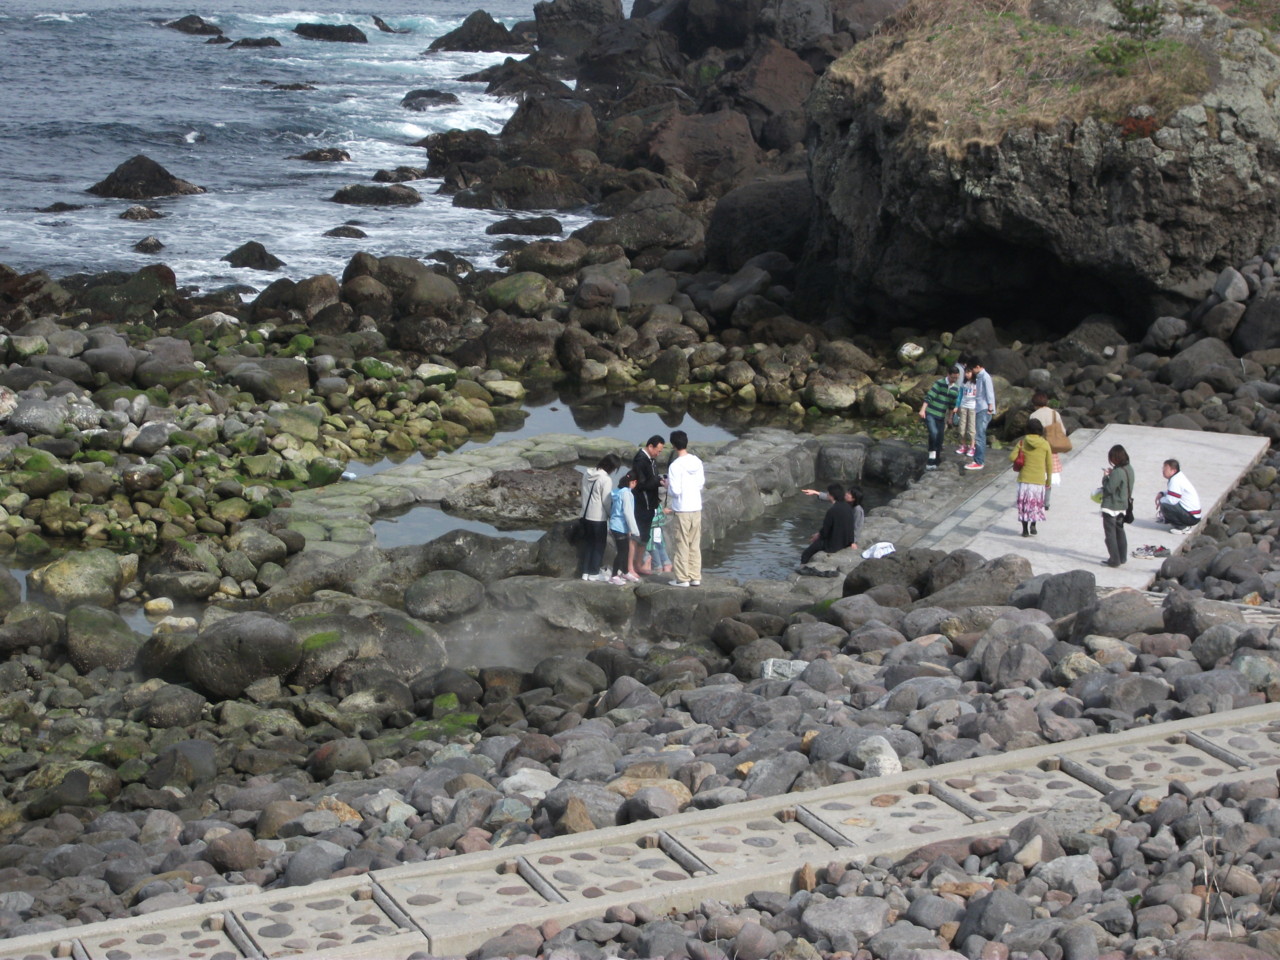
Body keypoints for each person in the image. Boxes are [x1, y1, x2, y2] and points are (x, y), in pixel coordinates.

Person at [665, 429, 705, 587]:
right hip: (696, 507)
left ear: (673, 445)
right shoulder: (697, 461)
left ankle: (682, 578)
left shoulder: (675, 466)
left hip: (682, 509)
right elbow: (700, 484)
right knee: (694, 544)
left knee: (682, 544)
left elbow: (675, 491)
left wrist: (667, 486)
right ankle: (695, 576)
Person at [579, 453, 620, 581]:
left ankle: (585, 572)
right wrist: (611, 515)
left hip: (584, 515)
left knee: (588, 544)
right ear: (611, 467)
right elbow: (606, 501)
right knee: (599, 546)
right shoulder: (605, 480)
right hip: (598, 518)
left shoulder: (587, 474)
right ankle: (594, 573)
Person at [1009, 419, 1051, 537]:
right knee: (1036, 504)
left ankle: (1025, 530)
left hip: (1024, 479)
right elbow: (1049, 464)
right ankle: (1033, 525)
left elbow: (1011, 457)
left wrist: (1021, 456)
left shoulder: (1022, 443)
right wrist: (1048, 481)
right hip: (1038, 480)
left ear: (1027, 429)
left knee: (1024, 505)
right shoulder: (1045, 444)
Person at [800, 484, 862, 563]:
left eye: (828, 493)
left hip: (833, 545)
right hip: (845, 541)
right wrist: (816, 492)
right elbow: (849, 527)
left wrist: (818, 536)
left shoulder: (833, 510)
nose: (827, 495)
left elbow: (826, 530)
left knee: (806, 554)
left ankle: (803, 567)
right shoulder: (848, 507)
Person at [631, 435, 665, 574]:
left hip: (650, 503)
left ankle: (638, 565)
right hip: (642, 503)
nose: (659, 453)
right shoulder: (640, 460)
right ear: (650, 446)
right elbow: (641, 484)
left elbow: (652, 478)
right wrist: (658, 482)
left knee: (645, 536)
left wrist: (660, 479)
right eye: (658, 450)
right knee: (636, 536)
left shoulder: (652, 460)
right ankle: (631, 567)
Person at [1028, 392, 1066, 508]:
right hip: (1051, 449)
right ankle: (1046, 502)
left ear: (1034, 403)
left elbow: (1031, 434)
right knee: (1048, 477)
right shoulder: (1055, 413)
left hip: (1038, 448)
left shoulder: (1034, 415)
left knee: (1037, 476)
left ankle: (1036, 500)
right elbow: (1063, 432)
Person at [918, 365, 960, 469]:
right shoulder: (939, 383)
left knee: (939, 439)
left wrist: (950, 418)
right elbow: (930, 396)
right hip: (931, 413)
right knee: (934, 433)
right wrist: (923, 410)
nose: (954, 380)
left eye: (956, 378)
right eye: (953, 377)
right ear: (948, 375)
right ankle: (930, 460)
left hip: (941, 416)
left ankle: (935, 460)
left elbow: (952, 405)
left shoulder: (956, 389)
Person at [1100, 444, 1134, 567]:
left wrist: (1105, 477)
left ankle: (1114, 560)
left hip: (1111, 507)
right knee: (1120, 531)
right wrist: (1113, 473)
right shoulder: (1129, 468)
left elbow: (1109, 489)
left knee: (1110, 535)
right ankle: (1122, 557)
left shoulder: (1118, 472)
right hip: (1123, 506)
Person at [607, 471, 641, 584]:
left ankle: (625, 572)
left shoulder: (617, 491)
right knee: (622, 551)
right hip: (619, 526)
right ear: (634, 482)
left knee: (626, 550)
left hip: (616, 524)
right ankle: (614, 575)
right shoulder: (626, 493)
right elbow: (628, 513)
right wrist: (635, 530)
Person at [965, 358, 996, 471]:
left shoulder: (985, 377)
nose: (972, 371)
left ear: (978, 366)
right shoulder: (979, 376)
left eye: (972, 368)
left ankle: (979, 461)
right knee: (979, 434)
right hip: (980, 408)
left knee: (979, 435)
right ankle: (977, 460)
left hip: (984, 408)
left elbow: (989, 392)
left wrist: (990, 407)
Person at [1154, 458, 1201, 533]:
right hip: (1194, 515)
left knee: (1165, 505)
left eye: (1165, 468)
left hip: (1191, 517)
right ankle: (1174, 521)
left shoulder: (1175, 481)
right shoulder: (1178, 477)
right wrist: (1162, 493)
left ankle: (1182, 527)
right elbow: (1174, 492)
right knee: (1165, 500)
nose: (1163, 470)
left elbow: (1172, 501)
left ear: (1173, 470)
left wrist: (1161, 500)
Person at [953, 362, 978, 458]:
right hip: (963, 406)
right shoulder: (964, 383)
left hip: (973, 407)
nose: (967, 374)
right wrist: (957, 406)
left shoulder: (977, 383)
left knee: (971, 428)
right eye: (966, 372)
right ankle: (963, 445)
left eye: (969, 372)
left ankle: (972, 446)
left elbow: (979, 396)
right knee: (962, 427)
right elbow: (960, 395)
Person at [646, 487, 672, 574]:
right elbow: (651, 521)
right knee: (658, 565)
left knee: (667, 563)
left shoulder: (657, 505)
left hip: (657, 536)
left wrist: (662, 514)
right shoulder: (648, 505)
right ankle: (662, 570)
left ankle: (664, 573)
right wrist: (662, 514)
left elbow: (659, 521)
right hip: (653, 537)